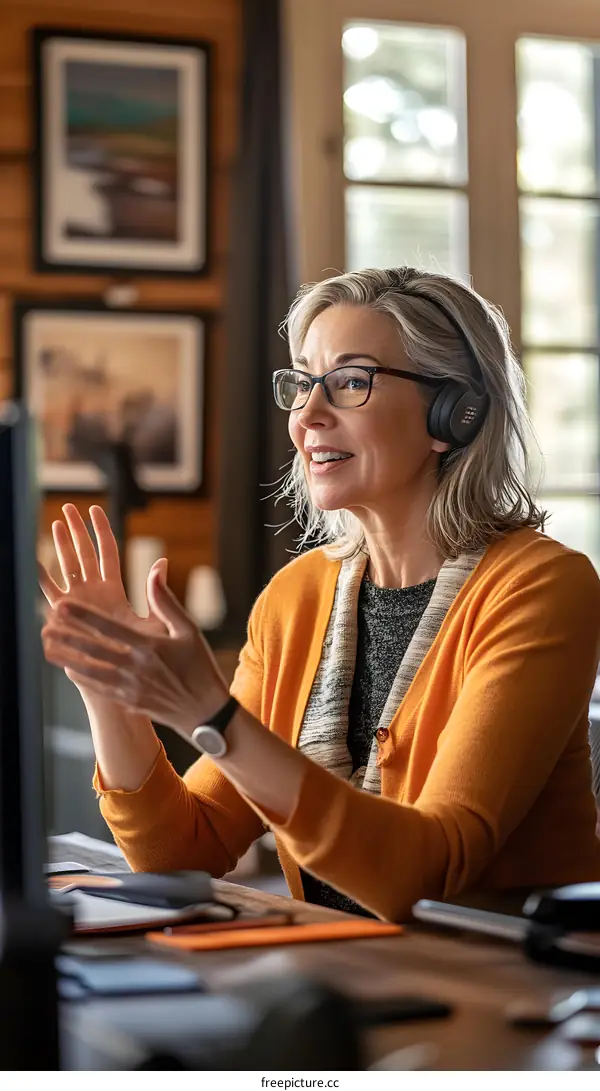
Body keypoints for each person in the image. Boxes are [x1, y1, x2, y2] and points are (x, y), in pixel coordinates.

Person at [39, 266, 600, 923]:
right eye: (303, 382)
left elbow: (428, 875)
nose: (307, 416)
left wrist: (216, 717)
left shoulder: (541, 586)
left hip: (512, 997)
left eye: (351, 381)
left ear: (455, 412)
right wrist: (108, 690)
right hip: (353, 979)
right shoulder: (297, 598)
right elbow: (181, 853)